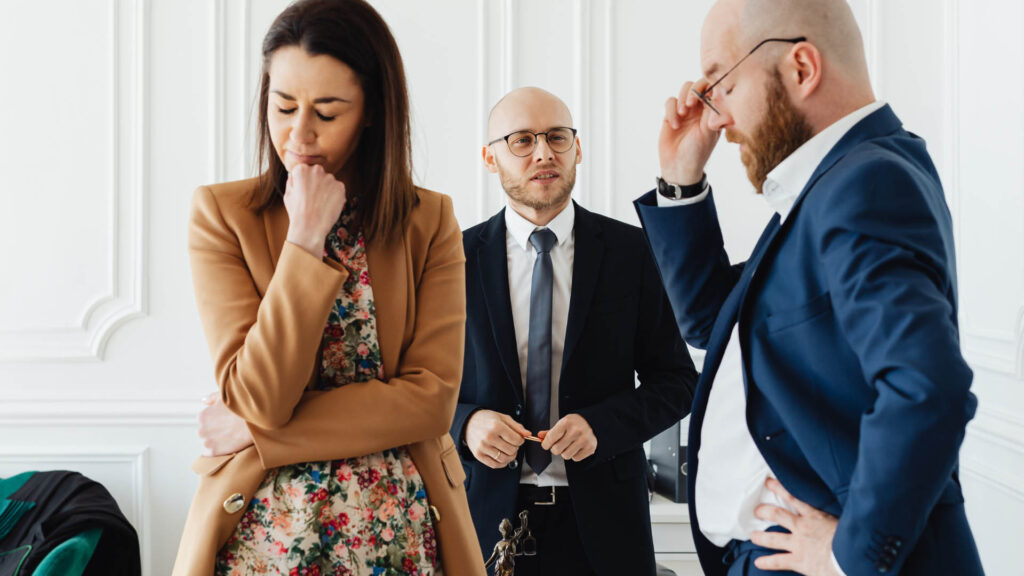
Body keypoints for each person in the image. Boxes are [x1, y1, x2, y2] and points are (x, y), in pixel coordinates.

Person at [634, 0, 984, 575]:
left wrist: (851, 556)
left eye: (720, 81)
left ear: (801, 68)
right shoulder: (832, 184)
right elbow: (711, 323)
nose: (715, 117)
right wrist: (681, 181)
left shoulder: (865, 184)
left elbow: (927, 388)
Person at [172, 1, 484, 574]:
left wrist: (261, 436)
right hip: (264, 539)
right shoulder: (222, 214)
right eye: (283, 105)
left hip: (400, 533)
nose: (299, 133)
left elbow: (430, 402)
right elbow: (262, 396)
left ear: (371, 111)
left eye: (327, 111)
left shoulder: (429, 220)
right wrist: (305, 238)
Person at [453, 86, 698, 576]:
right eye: (521, 140)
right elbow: (415, 388)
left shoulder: (634, 252)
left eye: (557, 137)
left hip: (607, 529)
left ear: (577, 149)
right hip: (482, 520)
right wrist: (467, 424)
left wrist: (600, 427)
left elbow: (677, 383)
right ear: (489, 157)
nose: (544, 152)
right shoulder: (450, 260)